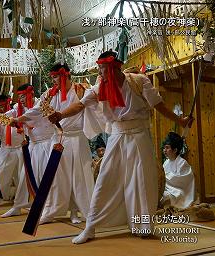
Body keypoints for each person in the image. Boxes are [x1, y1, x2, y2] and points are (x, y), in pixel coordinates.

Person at [47, 50, 193, 244]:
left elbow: (158, 105)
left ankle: (142, 226)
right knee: (105, 178)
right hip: (117, 136)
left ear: (117, 66)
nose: (101, 72)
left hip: (140, 135)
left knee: (141, 181)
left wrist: (180, 120)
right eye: (99, 68)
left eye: (103, 68)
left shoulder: (139, 81)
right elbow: (80, 105)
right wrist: (60, 115)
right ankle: (90, 227)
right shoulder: (100, 87)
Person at [14, 63, 98, 224]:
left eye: (56, 76)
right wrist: (19, 119)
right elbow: (36, 110)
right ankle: (51, 210)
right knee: (56, 177)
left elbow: (87, 104)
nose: (53, 80)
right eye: (52, 77)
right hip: (58, 138)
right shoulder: (49, 95)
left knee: (80, 176)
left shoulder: (81, 89)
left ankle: (79, 211)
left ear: (66, 74)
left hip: (78, 137)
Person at [160, 132, 195, 209]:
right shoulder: (165, 163)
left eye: (167, 148)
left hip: (180, 191)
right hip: (167, 189)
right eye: (164, 148)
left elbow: (181, 181)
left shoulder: (183, 163)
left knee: (169, 197)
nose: (164, 150)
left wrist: (165, 179)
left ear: (175, 150)